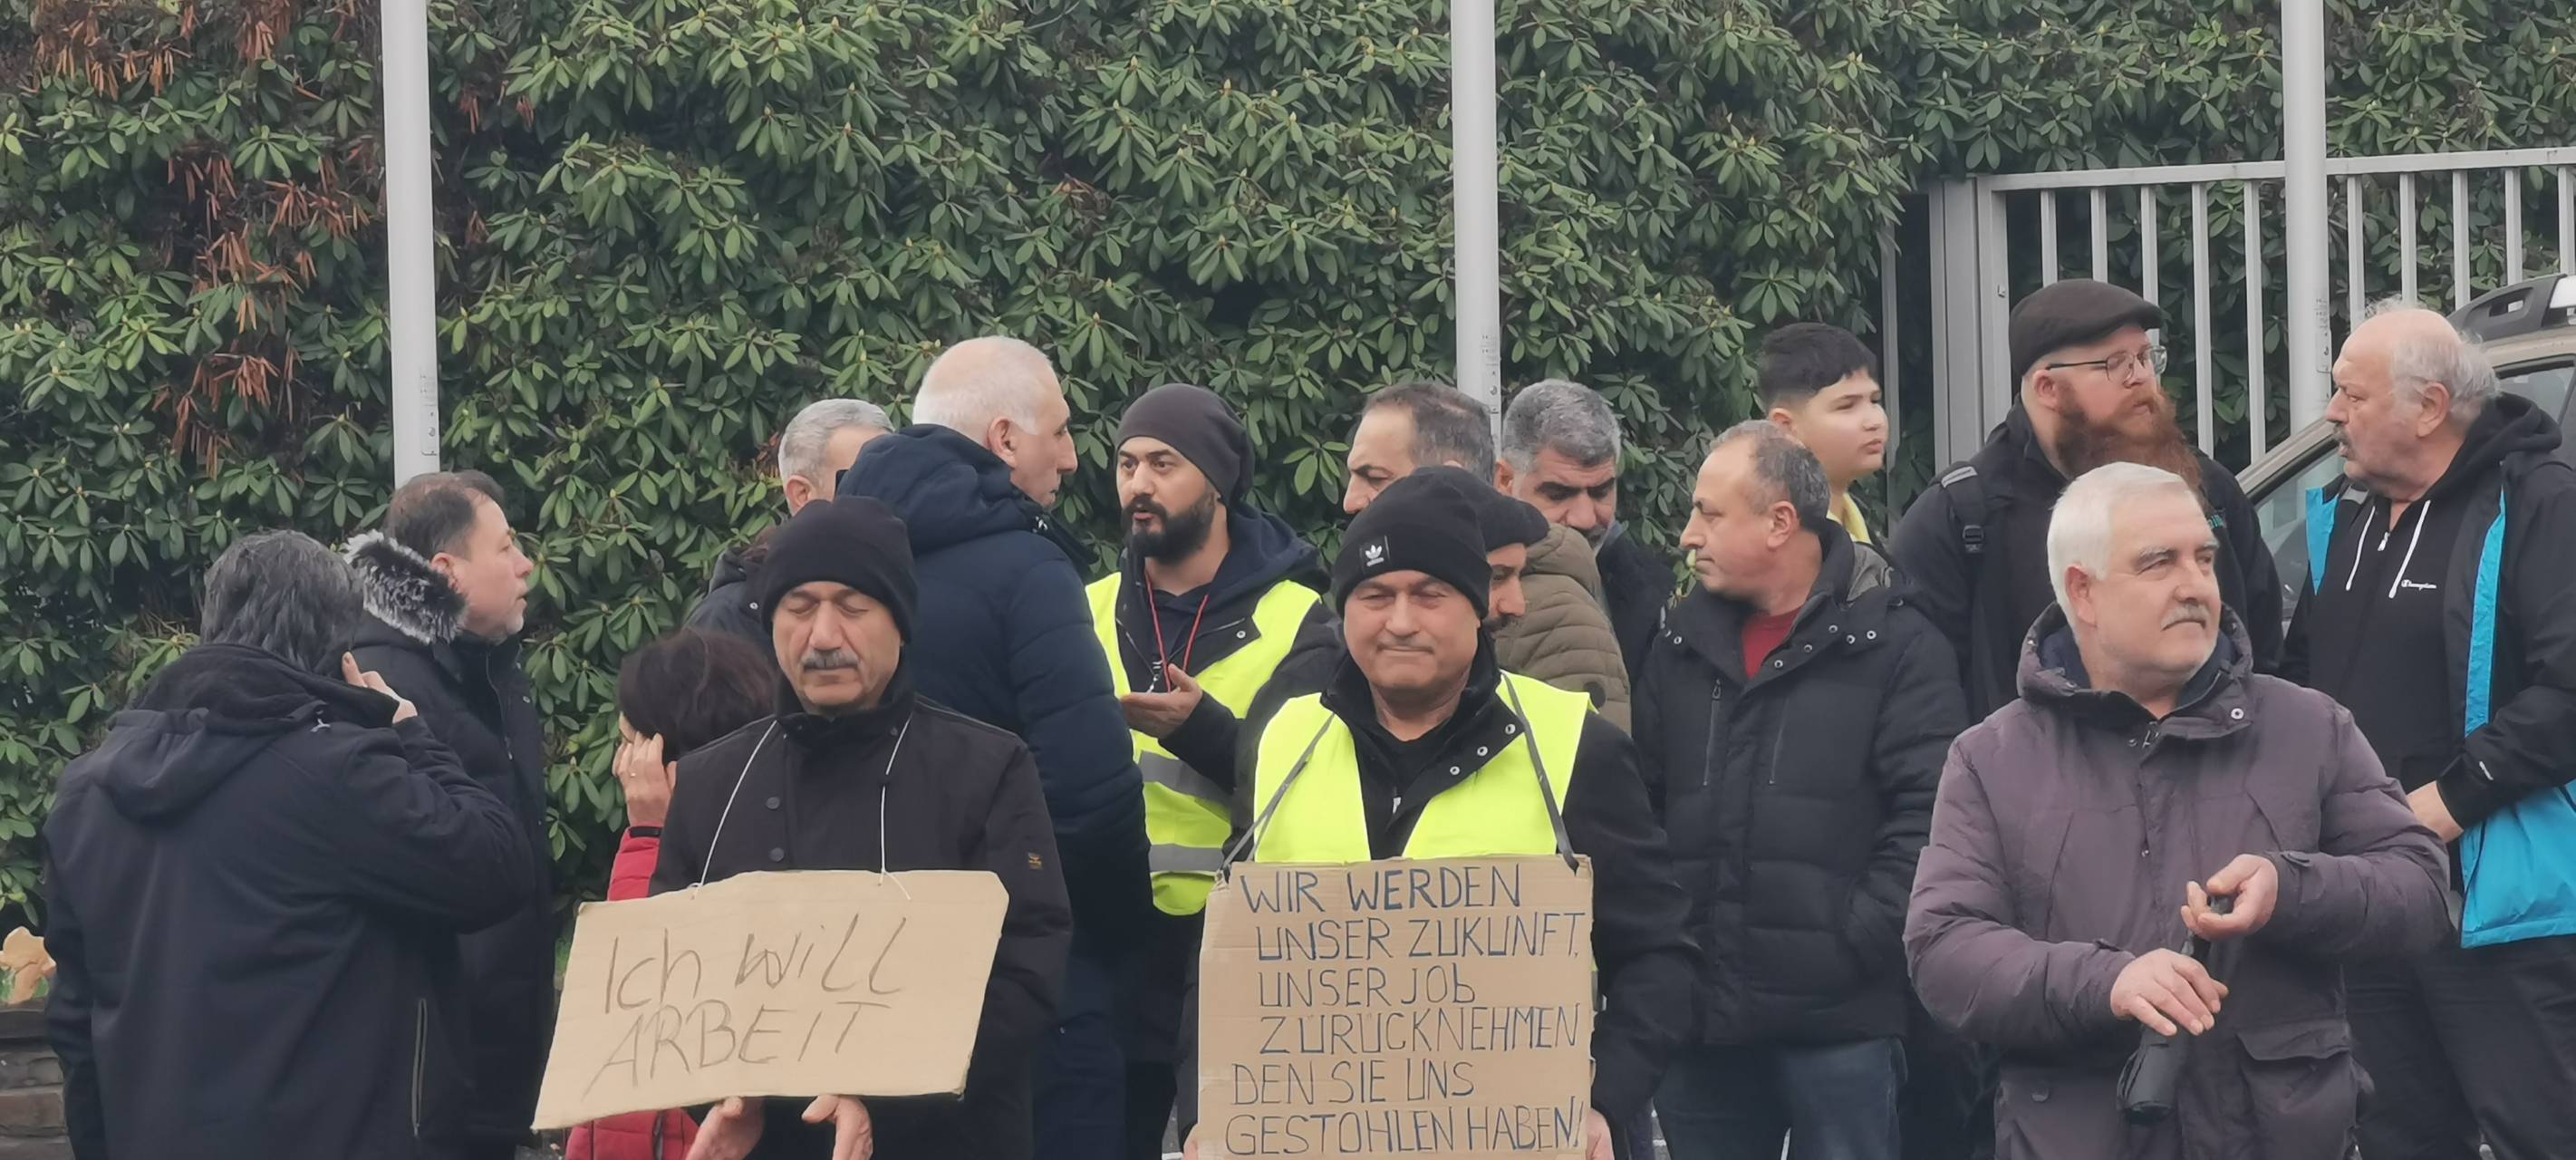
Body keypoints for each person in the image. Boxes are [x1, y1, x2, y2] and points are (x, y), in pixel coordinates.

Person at [1905, 462, 2450, 1159]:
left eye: (2203, 559)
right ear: (2082, 591)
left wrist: (2290, 888)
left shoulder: (2307, 726)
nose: (2194, 585)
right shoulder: (1992, 758)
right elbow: (1944, 951)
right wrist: (2105, 982)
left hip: (2281, 1137)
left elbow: (2419, 887)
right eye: (2158, 562)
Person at [1183, 473, 1697, 1160]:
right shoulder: (1283, 740)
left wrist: (1601, 1101)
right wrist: (1206, 1112)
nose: (1400, 622)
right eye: (1375, 596)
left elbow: (1659, 954)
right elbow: (1226, 958)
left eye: (1429, 595)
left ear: (1476, 608)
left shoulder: (1574, 746)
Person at [45, 531, 536, 1160]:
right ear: (336, 644)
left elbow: (75, 1022)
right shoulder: (337, 774)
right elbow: (496, 864)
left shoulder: (87, 795)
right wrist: (410, 731)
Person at [651, 498, 1075, 1160]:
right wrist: (721, 1098)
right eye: (799, 608)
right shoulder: (712, 781)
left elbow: (1026, 968)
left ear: (900, 623)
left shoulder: (986, 769)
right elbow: (671, 979)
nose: (823, 637)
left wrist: (882, 1096)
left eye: (852, 607)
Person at [839, 335, 1146, 1160]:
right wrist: (1110, 938)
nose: (1074, 458)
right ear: (1005, 438)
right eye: (1061, 431)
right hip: (1028, 980)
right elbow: (1090, 793)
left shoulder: (832, 569)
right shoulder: (1027, 569)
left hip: (858, 974)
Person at [2282, 302, 2576, 1160]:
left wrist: (2442, 806)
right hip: (2369, 899)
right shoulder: (2344, 514)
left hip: (2498, 912)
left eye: (2351, 394)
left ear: (2428, 407)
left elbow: (2567, 689)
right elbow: (2297, 681)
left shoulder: (2538, 503)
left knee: (2540, 1134)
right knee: (2394, 1135)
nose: (2331, 413)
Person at [1638, 423, 1963, 1160]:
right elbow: (1642, 810)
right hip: (1699, 1023)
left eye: (1709, 513)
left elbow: (1932, 815)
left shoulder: (1897, 644)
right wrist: (1670, 944)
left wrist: (1856, 940)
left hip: (1842, 1024)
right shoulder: (1677, 645)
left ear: (1780, 522)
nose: (1688, 536)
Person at [1082, 383, 1335, 1158]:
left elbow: (1319, 789)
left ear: (1218, 481)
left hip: (1240, 943)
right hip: (1109, 941)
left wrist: (1203, 733)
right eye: (1127, 464)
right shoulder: (1083, 607)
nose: (1138, 484)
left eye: (1164, 463)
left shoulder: (1301, 616)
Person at [1889, 279, 2283, 723]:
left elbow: (2265, 658)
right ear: (2047, 388)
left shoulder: (2206, 488)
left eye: (2145, 357)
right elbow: (1921, 704)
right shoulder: (1963, 517)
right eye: (2116, 364)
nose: (2141, 378)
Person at [347, 469, 554, 1160]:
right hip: (430, 1089)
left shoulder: (488, 670)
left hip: (493, 1070)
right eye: (506, 546)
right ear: (446, 571)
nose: (525, 564)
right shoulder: (377, 684)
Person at [565, 628, 777, 1160]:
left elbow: (638, 981)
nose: (621, 764)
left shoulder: (692, 843)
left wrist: (651, 835)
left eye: (630, 742)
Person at [1344, 381, 1634, 724]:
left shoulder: (1558, 617)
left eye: (1375, 478)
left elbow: (1586, 751)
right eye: (1378, 597)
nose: (1350, 501)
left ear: (1451, 478)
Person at [1498, 379, 1673, 684]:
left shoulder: (1652, 595)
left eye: (1600, 492)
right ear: (1505, 481)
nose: (1584, 518)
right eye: (1558, 494)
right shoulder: (1462, 593)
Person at [687, 399, 892, 658]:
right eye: (865, 479)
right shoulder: (727, 622)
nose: (889, 495)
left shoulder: (909, 588)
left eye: (892, 477)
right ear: (802, 494)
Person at [1761, 323, 1891, 544]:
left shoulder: (1863, 537)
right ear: (1784, 426)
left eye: (1874, 400)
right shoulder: (1776, 545)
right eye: (1847, 406)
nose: (1875, 421)